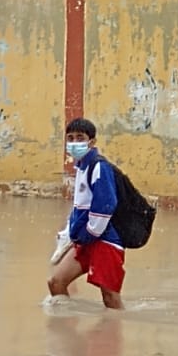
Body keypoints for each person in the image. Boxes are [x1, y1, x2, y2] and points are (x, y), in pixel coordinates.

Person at [47, 117, 126, 310]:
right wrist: (70, 234)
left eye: (79, 137)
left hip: (104, 241)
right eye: (70, 138)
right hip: (84, 241)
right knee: (56, 282)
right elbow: (79, 208)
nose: (74, 143)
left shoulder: (99, 167)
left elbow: (106, 204)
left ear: (92, 141)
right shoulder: (81, 167)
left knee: (110, 298)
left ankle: (111, 336)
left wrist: (90, 232)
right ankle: (68, 333)